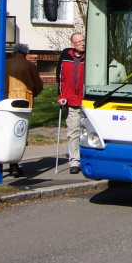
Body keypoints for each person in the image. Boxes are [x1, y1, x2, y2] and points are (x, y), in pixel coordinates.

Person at [4, 43, 44, 177]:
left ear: (13, 53)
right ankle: (15, 163)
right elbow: (38, 84)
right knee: (20, 131)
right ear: (25, 53)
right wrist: (33, 93)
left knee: (8, 130)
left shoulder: (5, 64)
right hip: (24, 99)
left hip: (7, 98)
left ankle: (11, 163)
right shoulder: (29, 65)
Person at [56, 32, 86, 174]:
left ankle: (87, 158)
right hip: (71, 100)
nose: (82, 44)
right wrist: (61, 95)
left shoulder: (90, 57)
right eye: (79, 42)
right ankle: (75, 161)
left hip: (86, 101)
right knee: (73, 131)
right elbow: (60, 78)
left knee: (85, 132)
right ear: (73, 45)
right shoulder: (65, 57)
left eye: (83, 41)